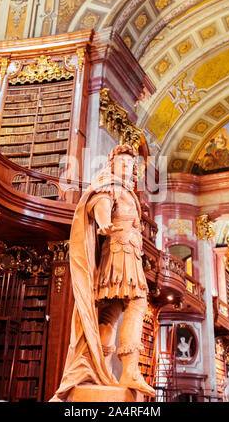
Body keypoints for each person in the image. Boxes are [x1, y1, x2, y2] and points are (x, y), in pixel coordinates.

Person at [49, 144, 155, 401]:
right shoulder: (109, 184)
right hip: (120, 253)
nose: (127, 168)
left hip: (126, 252)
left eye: (130, 165)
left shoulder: (126, 189)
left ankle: (101, 369)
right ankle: (129, 370)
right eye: (122, 163)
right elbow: (100, 202)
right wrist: (104, 222)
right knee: (137, 302)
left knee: (109, 314)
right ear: (112, 164)